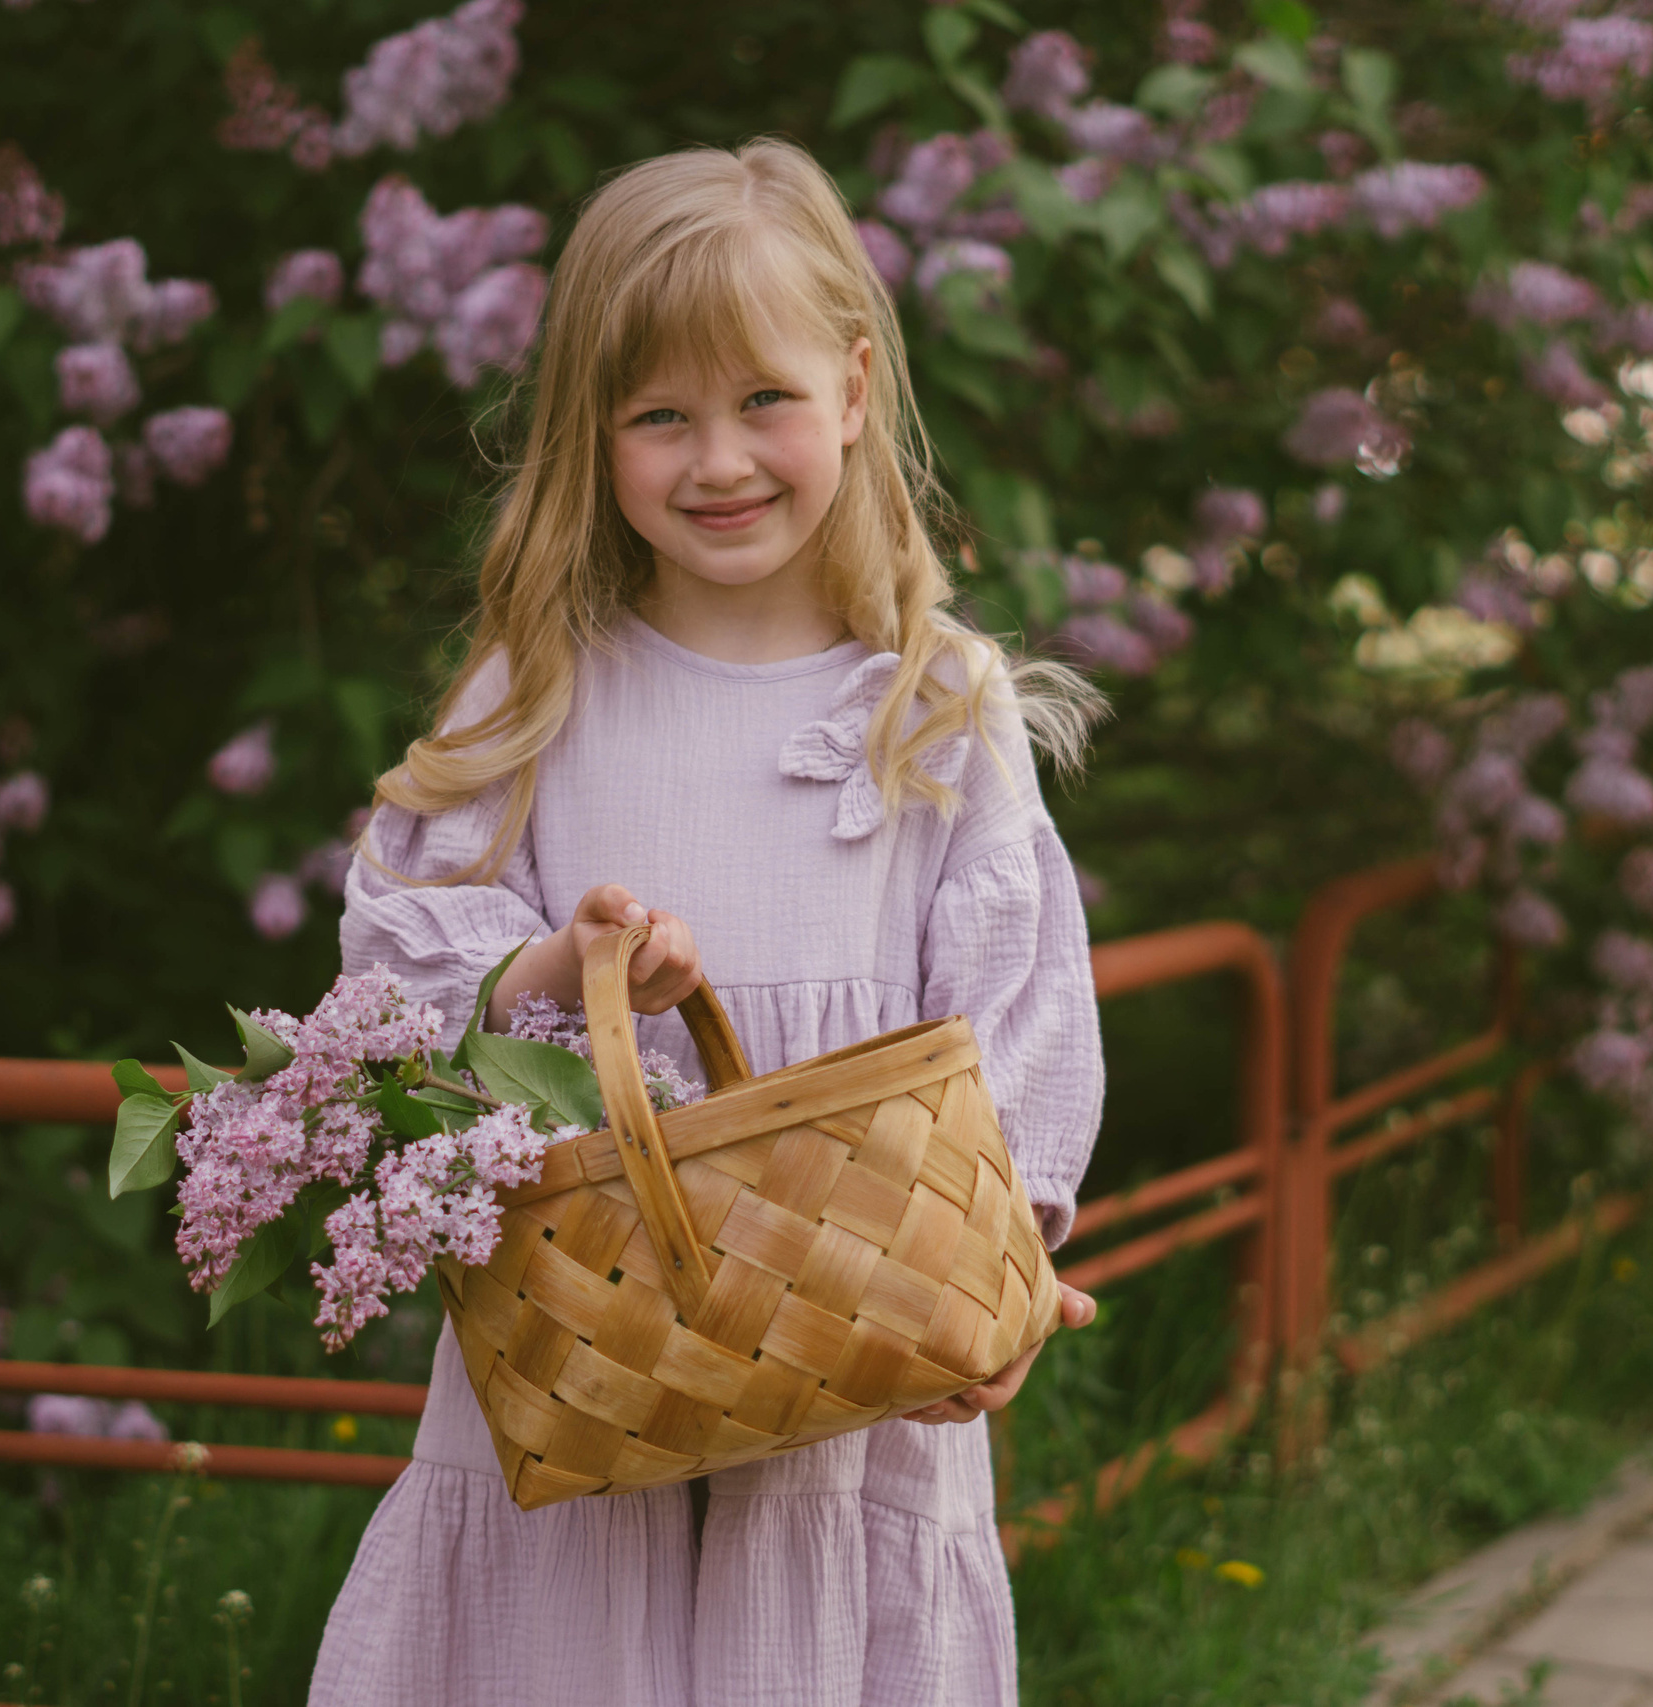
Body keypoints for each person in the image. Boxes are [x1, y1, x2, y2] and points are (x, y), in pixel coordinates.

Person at [312, 137, 1105, 1707]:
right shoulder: (534, 695)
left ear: (857, 392)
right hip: (587, 1363)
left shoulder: (934, 709)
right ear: (592, 439)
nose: (719, 459)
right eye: (659, 416)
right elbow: (390, 971)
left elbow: (1022, 1017)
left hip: (851, 1360)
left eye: (764, 402)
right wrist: (560, 967)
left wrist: (1001, 1272)